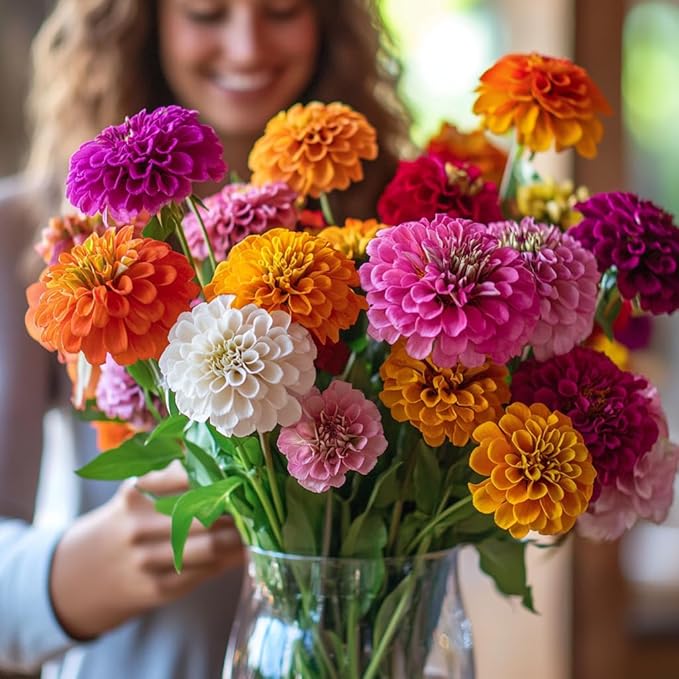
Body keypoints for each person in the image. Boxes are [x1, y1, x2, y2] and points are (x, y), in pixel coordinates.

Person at [0, 1, 411, 677]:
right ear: (140, 21)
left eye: (281, 10)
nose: (247, 47)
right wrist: (83, 567)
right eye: (206, 12)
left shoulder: (392, 226)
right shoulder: (26, 230)